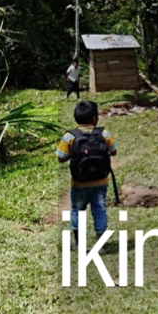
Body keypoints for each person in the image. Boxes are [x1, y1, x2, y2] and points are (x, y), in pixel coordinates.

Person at [56, 100, 118, 250]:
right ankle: (101, 245)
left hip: (79, 184)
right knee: (99, 210)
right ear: (95, 118)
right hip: (101, 182)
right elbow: (113, 151)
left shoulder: (69, 137)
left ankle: (78, 244)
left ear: (76, 118)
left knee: (77, 211)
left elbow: (61, 158)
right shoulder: (103, 133)